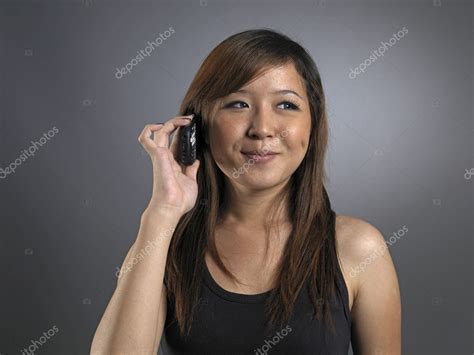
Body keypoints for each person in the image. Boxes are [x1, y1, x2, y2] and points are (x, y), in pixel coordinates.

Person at [91, 28, 401, 354]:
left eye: (285, 105)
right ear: (199, 126)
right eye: (238, 104)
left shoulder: (359, 248)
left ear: (313, 123)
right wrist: (163, 211)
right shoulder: (166, 243)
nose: (262, 129)